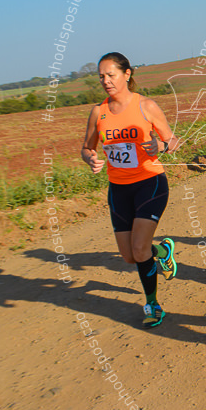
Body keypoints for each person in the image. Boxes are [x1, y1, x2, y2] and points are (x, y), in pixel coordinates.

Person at [80, 52, 180, 328]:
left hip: (150, 182)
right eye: (101, 76)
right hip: (118, 190)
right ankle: (162, 252)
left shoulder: (146, 106)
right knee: (128, 255)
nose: (106, 81)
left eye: (111, 75)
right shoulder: (97, 112)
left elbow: (173, 140)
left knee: (138, 248)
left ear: (127, 74)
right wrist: (90, 157)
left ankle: (153, 304)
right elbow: (87, 147)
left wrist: (159, 146)